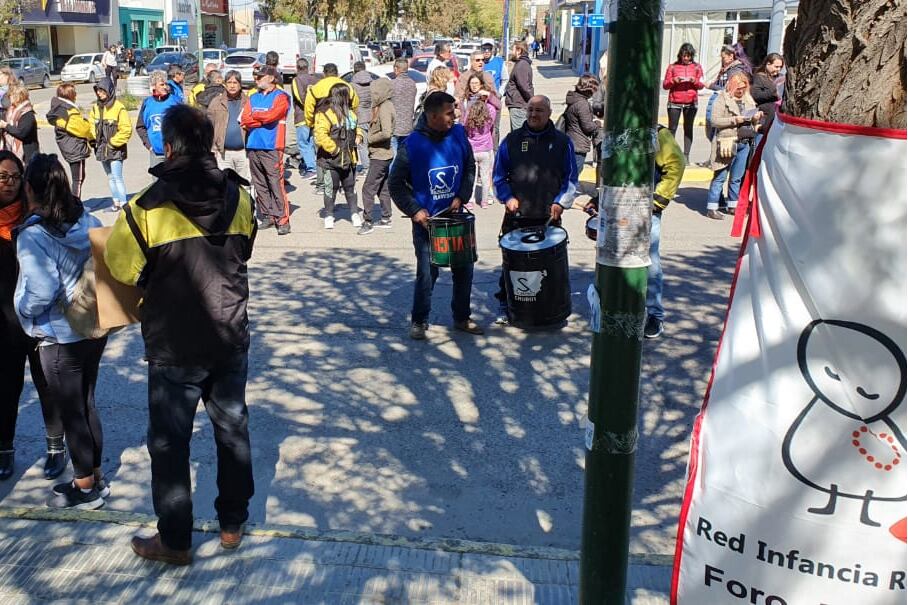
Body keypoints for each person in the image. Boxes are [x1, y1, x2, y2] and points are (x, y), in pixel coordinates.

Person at [104, 105, 256, 565]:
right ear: (210, 143)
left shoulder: (145, 208)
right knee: (232, 430)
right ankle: (232, 524)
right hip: (229, 334)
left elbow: (121, 269)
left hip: (174, 345)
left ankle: (174, 541)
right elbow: (245, 248)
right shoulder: (238, 196)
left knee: (170, 443)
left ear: (167, 148)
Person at [14, 153, 108, 509]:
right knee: (87, 402)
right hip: (93, 327)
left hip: (59, 335)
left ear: (31, 189)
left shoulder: (33, 235)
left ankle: (84, 487)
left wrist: (22, 310)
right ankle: (96, 475)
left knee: (71, 410)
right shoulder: (87, 218)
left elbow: (40, 289)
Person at [388, 91, 481, 340]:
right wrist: (414, 210)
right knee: (428, 273)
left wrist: (462, 194)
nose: (455, 116)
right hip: (427, 223)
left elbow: (470, 166)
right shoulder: (411, 145)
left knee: (464, 269)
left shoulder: (459, 134)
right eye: (450, 113)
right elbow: (395, 184)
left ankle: (461, 317)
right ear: (432, 115)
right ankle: (419, 320)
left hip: (455, 216)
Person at [0, 150, 60, 481]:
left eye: (14, 176)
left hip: (39, 320)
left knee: (48, 386)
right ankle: (4, 450)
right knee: (5, 389)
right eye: (1, 177)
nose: (9, 183)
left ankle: (56, 448)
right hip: (3, 325)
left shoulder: (36, 220)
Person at [492, 95, 577, 324]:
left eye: (539, 110)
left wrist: (561, 202)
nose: (533, 114)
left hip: (549, 216)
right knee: (511, 265)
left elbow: (570, 178)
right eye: (530, 110)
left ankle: (551, 307)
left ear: (549, 113)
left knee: (549, 267)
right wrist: (507, 198)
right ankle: (506, 303)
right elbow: (499, 176)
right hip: (517, 215)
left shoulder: (562, 142)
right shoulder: (511, 140)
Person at [705, 72, 762, 220]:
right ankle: (712, 207)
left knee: (736, 177)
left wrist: (756, 118)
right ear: (732, 85)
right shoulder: (722, 98)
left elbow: (753, 120)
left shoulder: (748, 99)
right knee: (720, 176)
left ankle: (732, 206)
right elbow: (715, 121)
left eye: (743, 88)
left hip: (744, 143)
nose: (741, 91)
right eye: (738, 88)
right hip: (727, 142)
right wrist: (735, 119)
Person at [241, 66, 292, 234]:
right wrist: (259, 119)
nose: (256, 80)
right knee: (259, 183)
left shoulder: (281, 96)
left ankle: (282, 220)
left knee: (275, 183)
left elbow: (273, 115)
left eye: (259, 77)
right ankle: (268, 215)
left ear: (270, 78)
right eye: (255, 78)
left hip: (272, 146)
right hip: (253, 145)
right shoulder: (253, 97)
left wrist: (256, 118)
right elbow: (245, 119)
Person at [314, 82, 360, 229]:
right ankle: (329, 215)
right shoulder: (325, 114)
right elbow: (320, 136)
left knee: (350, 187)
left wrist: (359, 136)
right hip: (330, 160)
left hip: (349, 159)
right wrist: (336, 150)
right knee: (331, 188)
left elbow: (357, 128)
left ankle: (354, 213)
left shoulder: (351, 114)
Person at [89, 77, 132, 212]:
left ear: (109, 91)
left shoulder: (119, 107)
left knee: (117, 177)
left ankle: (124, 205)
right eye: (98, 91)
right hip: (101, 148)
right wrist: (94, 140)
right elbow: (91, 125)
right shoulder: (96, 108)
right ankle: (116, 203)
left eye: (102, 91)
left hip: (114, 149)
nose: (99, 94)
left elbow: (126, 130)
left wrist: (112, 143)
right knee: (110, 177)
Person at [358, 78, 394, 235]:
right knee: (382, 187)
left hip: (380, 156)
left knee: (368, 189)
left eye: (374, 92)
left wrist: (370, 138)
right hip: (383, 154)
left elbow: (386, 132)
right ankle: (386, 217)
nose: (372, 95)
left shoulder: (385, 107)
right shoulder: (383, 105)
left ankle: (368, 221)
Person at [45, 84, 94, 199]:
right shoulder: (68, 111)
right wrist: (86, 122)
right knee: (78, 179)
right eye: (74, 92)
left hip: (68, 146)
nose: (76, 94)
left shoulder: (58, 109)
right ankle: (75, 205)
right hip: (75, 148)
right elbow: (83, 129)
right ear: (70, 95)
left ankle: (74, 203)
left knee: (78, 178)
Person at [459, 73, 498, 210]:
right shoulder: (490, 112)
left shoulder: (469, 117)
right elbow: (495, 110)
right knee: (486, 176)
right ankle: (484, 201)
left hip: (472, 149)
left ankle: (470, 200)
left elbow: (463, 125)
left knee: (472, 177)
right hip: (486, 149)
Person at [662, 43, 704, 162]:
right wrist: (673, 80)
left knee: (688, 128)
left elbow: (701, 85)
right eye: (684, 56)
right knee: (672, 129)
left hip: (691, 102)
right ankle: (670, 155)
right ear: (680, 55)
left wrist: (694, 81)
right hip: (675, 101)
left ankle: (686, 156)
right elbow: (665, 85)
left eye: (688, 56)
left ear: (692, 56)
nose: (686, 58)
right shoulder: (672, 67)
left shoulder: (697, 67)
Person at [208, 70, 250, 182]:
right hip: (223, 153)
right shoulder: (216, 102)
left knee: (246, 184)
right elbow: (209, 126)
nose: (232, 86)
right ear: (225, 84)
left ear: (240, 85)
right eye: (229, 82)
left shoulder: (248, 102)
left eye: (235, 83)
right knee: (226, 186)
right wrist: (212, 147)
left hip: (244, 153)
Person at [136, 70, 182, 171]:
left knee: (174, 184)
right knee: (156, 184)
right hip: (156, 153)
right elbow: (140, 127)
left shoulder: (175, 101)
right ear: (153, 86)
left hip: (174, 153)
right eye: (161, 84)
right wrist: (149, 145)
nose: (165, 87)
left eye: (165, 84)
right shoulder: (148, 103)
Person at [563, 74, 601, 182]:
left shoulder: (574, 99)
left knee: (569, 174)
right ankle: (566, 198)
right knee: (572, 176)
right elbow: (588, 127)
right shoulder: (582, 104)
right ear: (589, 89)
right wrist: (598, 123)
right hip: (578, 144)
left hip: (571, 140)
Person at [290, 58, 319, 179]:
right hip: (314, 116)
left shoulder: (296, 80)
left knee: (303, 143)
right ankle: (315, 166)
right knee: (311, 142)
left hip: (302, 116)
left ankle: (312, 168)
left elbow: (300, 98)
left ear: (297, 68)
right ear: (308, 67)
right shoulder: (315, 79)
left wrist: (308, 109)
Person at [0, 86, 38, 165]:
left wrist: (6, 126)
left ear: (18, 97)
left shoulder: (28, 114)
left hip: (27, 154)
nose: (9, 98)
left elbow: (22, 133)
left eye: (11, 95)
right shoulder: (10, 111)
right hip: (10, 150)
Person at [751, 53, 784, 142]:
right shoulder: (760, 77)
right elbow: (755, 95)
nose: (778, 69)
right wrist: (774, 93)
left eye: (780, 67)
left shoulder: (780, 77)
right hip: (764, 117)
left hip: (776, 117)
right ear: (767, 64)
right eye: (776, 66)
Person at [504, 41, 534, 132]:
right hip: (518, 104)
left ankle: (521, 147)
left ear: (519, 50)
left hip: (519, 106)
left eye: (512, 49)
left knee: (519, 135)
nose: (511, 52)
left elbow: (524, 87)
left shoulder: (522, 65)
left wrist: (532, 100)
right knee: (518, 134)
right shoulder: (521, 63)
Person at [389, 58, 416, 155]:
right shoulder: (412, 84)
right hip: (408, 125)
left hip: (394, 125)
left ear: (396, 69)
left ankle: (394, 170)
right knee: (405, 154)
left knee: (394, 154)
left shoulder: (392, 84)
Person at [350, 61, 373, 175]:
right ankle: (372, 166)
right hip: (372, 115)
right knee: (372, 143)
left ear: (354, 70)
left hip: (360, 116)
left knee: (362, 144)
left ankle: (366, 167)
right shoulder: (372, 82)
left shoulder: (353, 85)